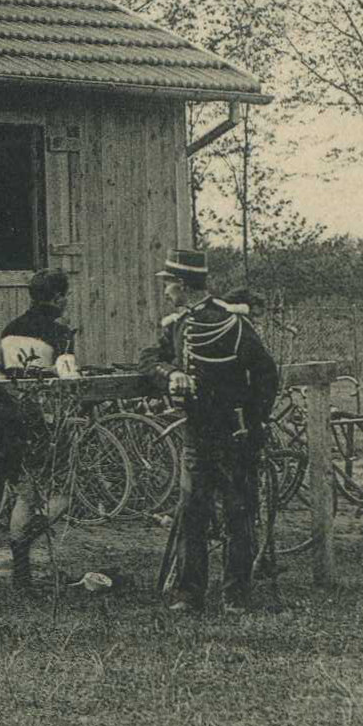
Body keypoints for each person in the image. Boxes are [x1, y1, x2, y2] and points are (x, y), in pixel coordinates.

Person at [140, 247, 280, 614]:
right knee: (192, 513)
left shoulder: (233, 324)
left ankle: (236, 595)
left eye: (169, 284)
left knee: (239, 514)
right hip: (197, 433)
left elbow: (267, 374)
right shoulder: (178, 325)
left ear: (183, 285)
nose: (167, 291)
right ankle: (190, 594)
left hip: (235, 435)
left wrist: (254, 420)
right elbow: (149, 360)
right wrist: (171, 374)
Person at [2, 268, 78, 589]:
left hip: (14, 419)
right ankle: (26, 540)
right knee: (63, 493)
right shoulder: (60, 332)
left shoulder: (10, 329)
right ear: (58, 297)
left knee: (25, 495)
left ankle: (21, 572)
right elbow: (68, 378)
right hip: (48, 422)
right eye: (66, 296)